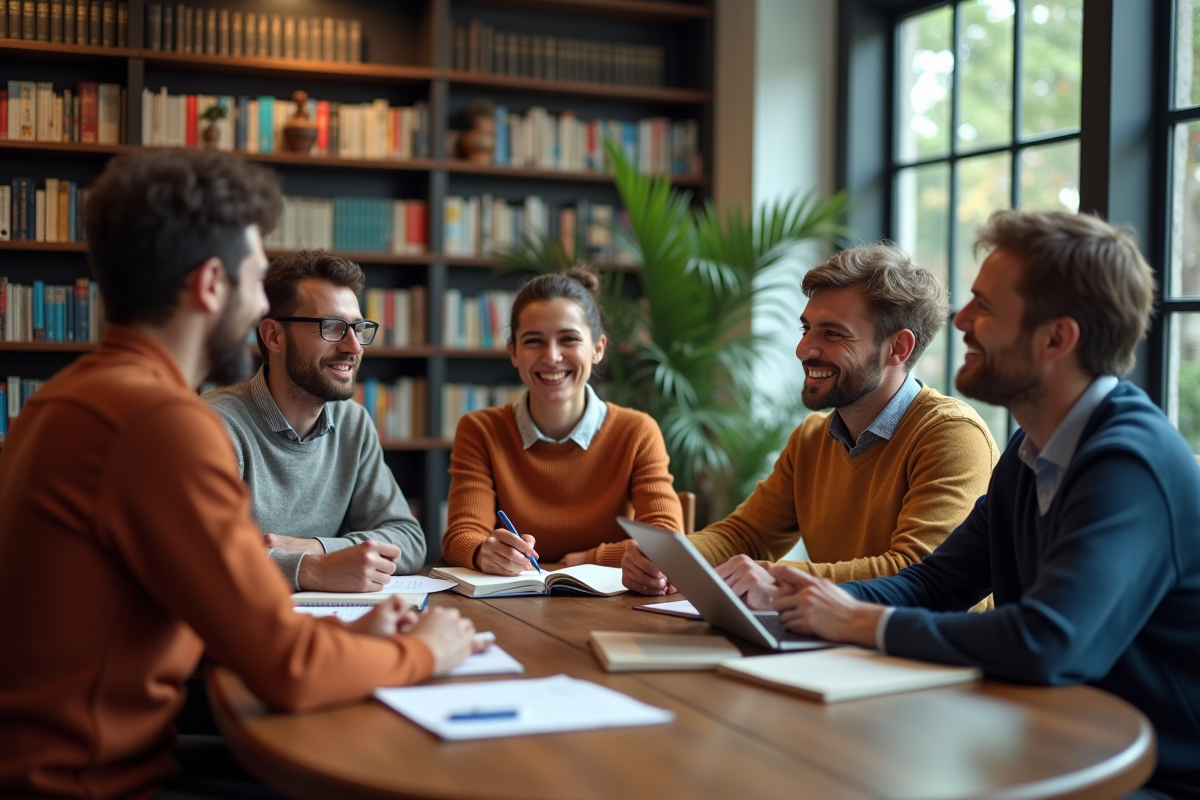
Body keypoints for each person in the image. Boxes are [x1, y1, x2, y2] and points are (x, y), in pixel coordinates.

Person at [0, 149, 478, 800]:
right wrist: (426, 650)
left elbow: (224, 627)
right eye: (255, 280)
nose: (260, 305)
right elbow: (287, 670)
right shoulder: (160, 423)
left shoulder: (66, 400)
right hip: (96, 782)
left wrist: (347, 638)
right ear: (209, 285)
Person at [771, 210, 1200, 800]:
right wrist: (799, 596)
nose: (961, 322)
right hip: (1048, 741)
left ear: (1057, 338)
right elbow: (934, 583)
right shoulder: (1032, 445)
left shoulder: (1129, 463)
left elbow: (1048, 643)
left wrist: (859, 619)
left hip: (1145, 776)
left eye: (985, 307)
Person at [622, 243, 999, 606]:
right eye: (806, 329)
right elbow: (747, 535)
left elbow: (916, 573)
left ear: (898, 348)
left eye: (832, 333)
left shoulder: (952, 435)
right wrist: (674, 557)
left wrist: (776, 580)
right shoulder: (811, 439)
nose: (804, 349)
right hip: (836, 645)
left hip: (929, 660)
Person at [205, 250, 425, 592]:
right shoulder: (214, 426)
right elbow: (203, 556)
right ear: (273, 336)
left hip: (336, 624)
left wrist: (317, 548)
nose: (353, 346)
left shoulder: (354, 423)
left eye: (358, 328)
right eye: (333, 327)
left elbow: (408, 539)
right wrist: (313, 570)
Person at [441, 267, 684, 574]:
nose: (552, 356)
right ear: (513, 352)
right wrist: (481, 552)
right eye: (533, 342)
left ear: (598, 348)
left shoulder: (636, 431)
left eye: (568, 339)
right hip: (513, 607)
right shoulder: (481, 431)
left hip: (613, 609)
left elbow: (666, 541)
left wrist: (589, 558)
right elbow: (461, 537)